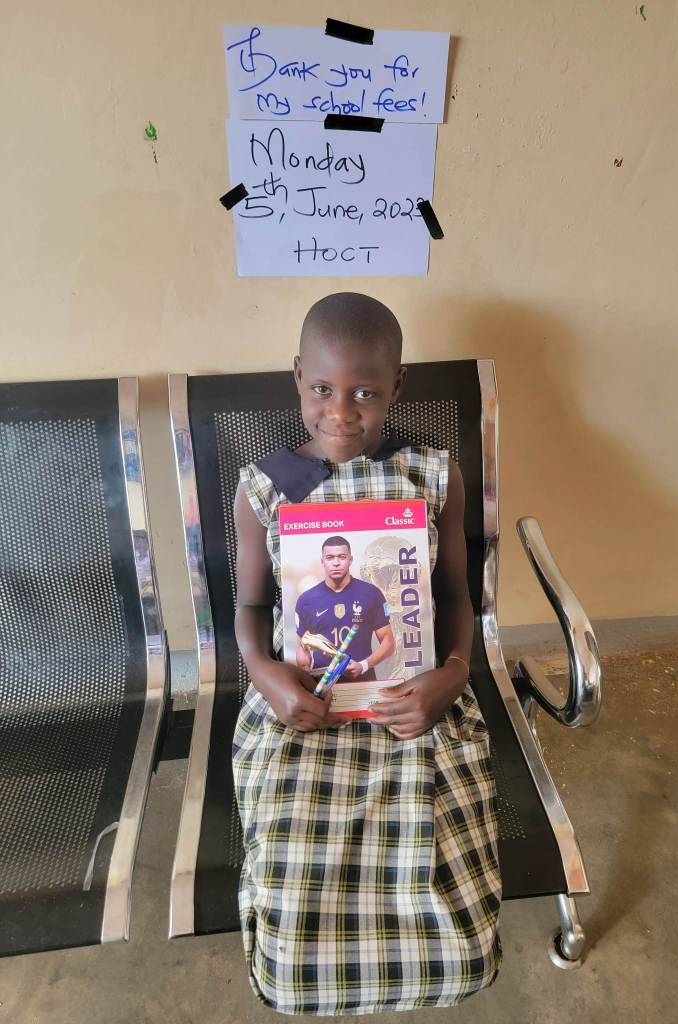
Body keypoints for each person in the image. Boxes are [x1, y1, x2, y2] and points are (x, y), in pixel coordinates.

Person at [232, 292, 502, 1015]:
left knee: (439, 849)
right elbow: (250, 610)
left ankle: (441, 964)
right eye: (322, 388)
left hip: (414, 698)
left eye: (365, 393)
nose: (342, 412)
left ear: (397, 387)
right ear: (297, 376)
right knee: (293, 869)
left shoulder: (431, 477)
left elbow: (455, 596)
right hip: (303, 705)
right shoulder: (264, 489)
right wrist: (265, 676)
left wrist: (454, 675)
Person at [295, 535, 395, 681]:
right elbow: (302, 646)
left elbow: (389, 642)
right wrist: (304, 667)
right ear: (322, 562)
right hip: (322, 682)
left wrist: (363, 666)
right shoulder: (306, 600)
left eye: (342, 557)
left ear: (350, 560)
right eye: (330, 558)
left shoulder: (371, 593)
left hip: (363, 680)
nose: (336, 563)